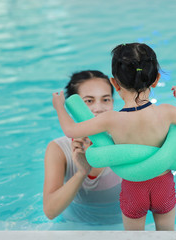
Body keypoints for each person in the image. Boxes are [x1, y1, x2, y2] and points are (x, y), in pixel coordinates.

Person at [52, 43, 176, 230]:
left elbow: (70, 130)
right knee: (167, 234)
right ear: (156, 79)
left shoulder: (112, 119)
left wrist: (60, 108)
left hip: (134, 189)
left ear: (114, 84)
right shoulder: (167, 112)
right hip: (162, 186)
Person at [43, 70, 123, 225]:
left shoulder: (126, 140)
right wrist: (82, 173)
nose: (98, 108)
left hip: (123, 227)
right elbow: (50, 211)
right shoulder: (59, 149)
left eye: (106, 99)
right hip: (74, 228)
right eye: (89, 101)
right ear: (74, 107)